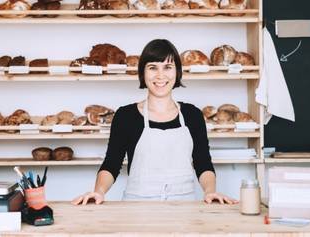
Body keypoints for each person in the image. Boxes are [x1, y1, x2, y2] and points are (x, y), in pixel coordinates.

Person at [72, 39, 238, 205]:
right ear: (143, 73)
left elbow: (203, 163)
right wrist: (98, 192)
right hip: (136, 208)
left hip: (185, 209)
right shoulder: (125, 116)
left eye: (168, 67)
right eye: (153, 68)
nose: (160, 75)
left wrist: (211, 192)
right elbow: (111, 164)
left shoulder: (192, 115)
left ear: (177, 72)